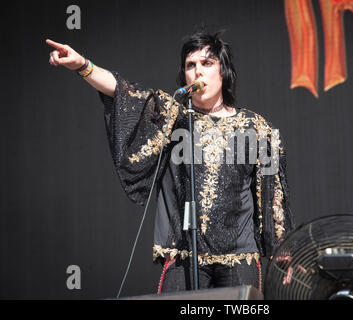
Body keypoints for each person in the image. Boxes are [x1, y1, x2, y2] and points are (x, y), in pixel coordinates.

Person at [46, 31, 295, 294]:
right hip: (183, 254)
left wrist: (284, 254)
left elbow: (274, 199)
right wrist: (83, 65)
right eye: (190, 65)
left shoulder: (257, 128)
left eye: (207, 63)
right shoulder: (172, 116)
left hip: (239, 257)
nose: (197, 72)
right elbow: (124, 92)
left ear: (225, 71)